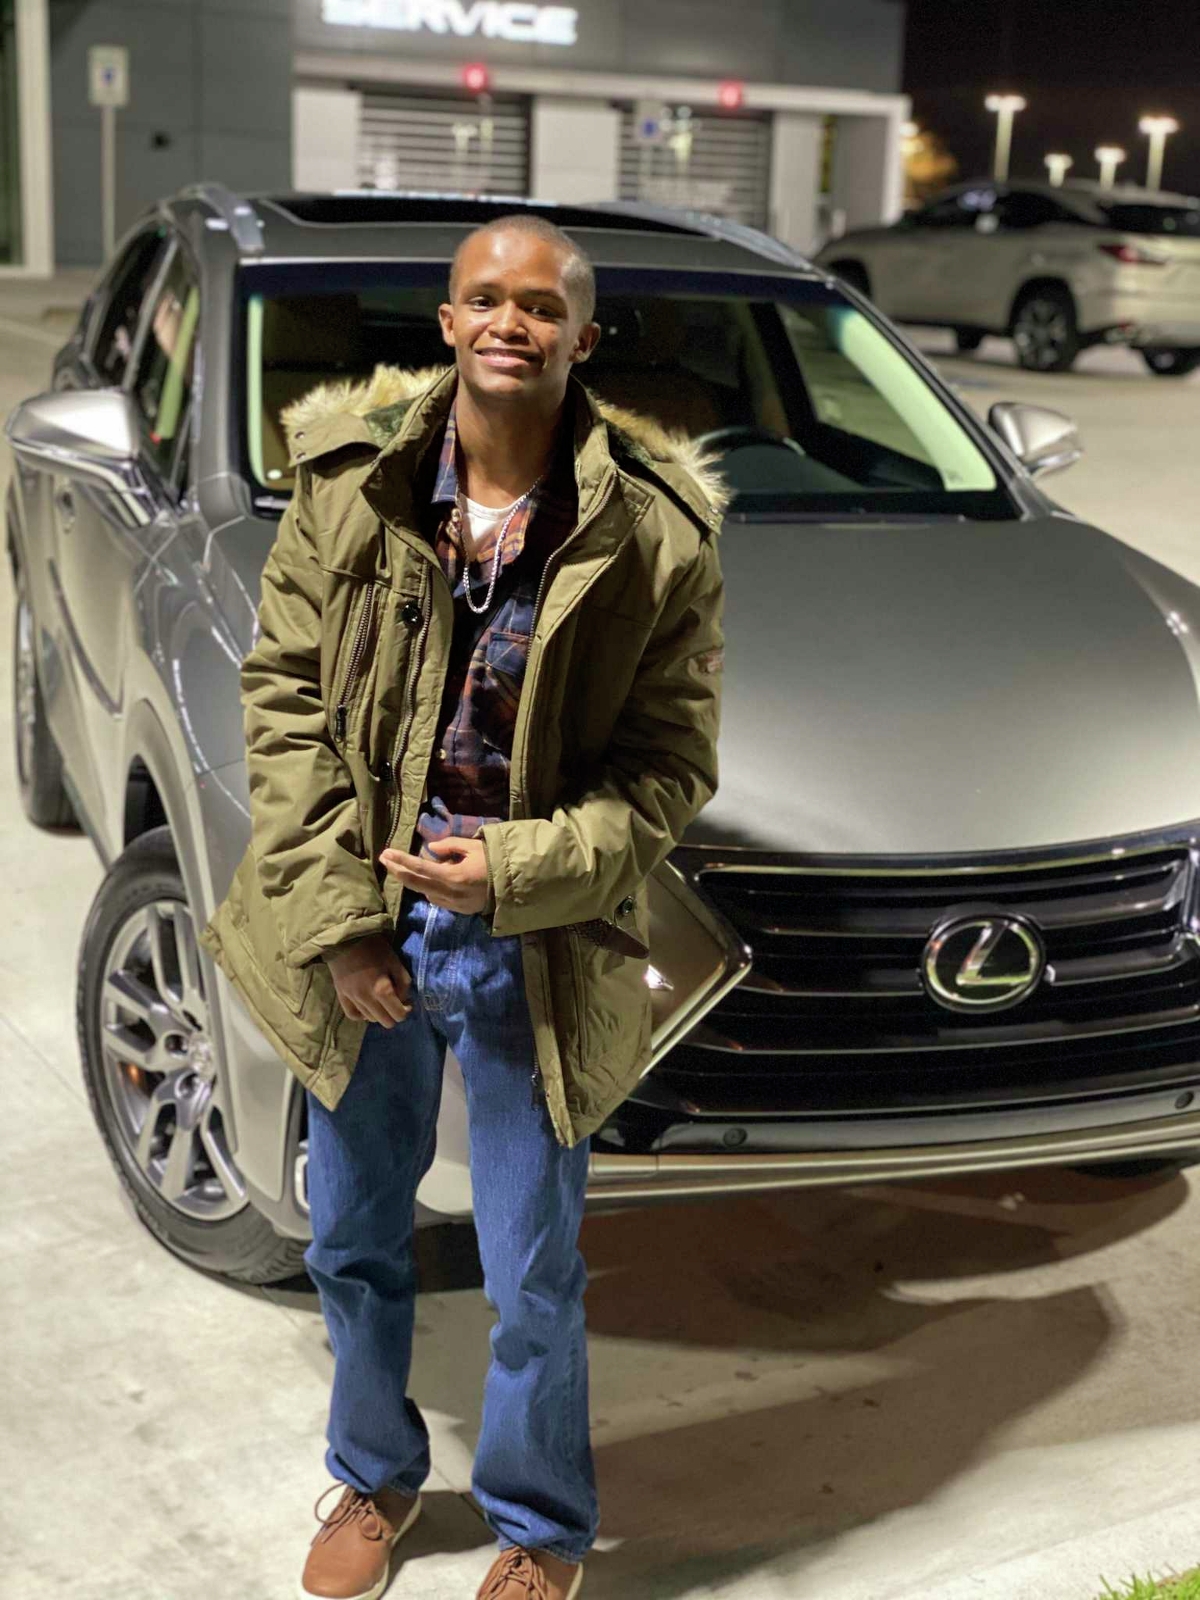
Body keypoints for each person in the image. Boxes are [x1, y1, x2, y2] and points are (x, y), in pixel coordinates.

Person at [198, 213, 727, 1600]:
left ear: (583, 336)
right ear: (445, 322)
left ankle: (540, 1528)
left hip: (529, 944)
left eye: (542, 306)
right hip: (360, 933)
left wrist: (519, 868)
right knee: (354, 1234)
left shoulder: (653, 538)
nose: (512, 322)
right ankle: (372, 1478)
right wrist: (344, 923)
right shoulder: (347, 488)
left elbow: (671, 769)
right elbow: (285, 702)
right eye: (485, 298)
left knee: (530, 1266)